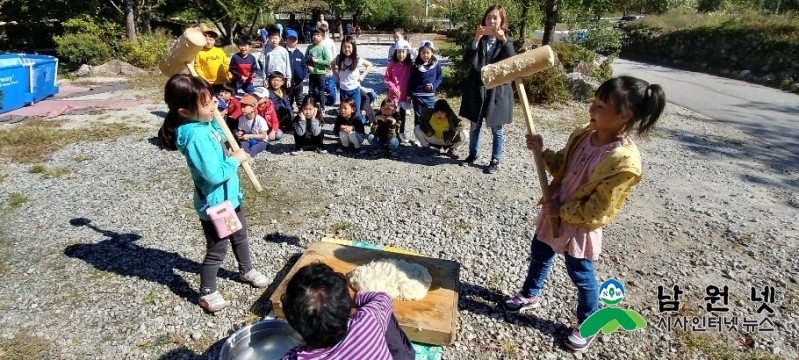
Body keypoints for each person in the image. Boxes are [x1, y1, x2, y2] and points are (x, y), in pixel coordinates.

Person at [502, 76, 666, 351]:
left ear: (624, 115)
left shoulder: (623, 162)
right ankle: (530, 294)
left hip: (580, 222)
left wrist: (562, 210)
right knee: (540, 252)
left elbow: (600, 209)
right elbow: (561, 167)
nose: (591, 109)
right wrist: (543, 152)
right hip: (555, 211)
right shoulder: (583, 135)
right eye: (594, 102)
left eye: (600, 106)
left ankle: (590, 320)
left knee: (580, 272)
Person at [159, 74, 269, 313]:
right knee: (218, 249)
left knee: (240, 235)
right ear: (185, 112)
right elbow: (213, 175)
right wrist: (236, 160)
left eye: (213, 99)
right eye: (207, 103)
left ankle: (245, 270)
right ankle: (207, 291)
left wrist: (227, 145)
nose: (215, 106)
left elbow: (220, 145)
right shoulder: (196, 136)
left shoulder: (205, 125)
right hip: (215, 204)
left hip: (230, 198)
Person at [281, 263, 414, 360]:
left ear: (294, 323)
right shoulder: (368, 321)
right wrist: (350, 300)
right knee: (384, 315)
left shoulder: (294, 357)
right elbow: (383, 298)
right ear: (346, 305)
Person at [458, 5, 516, 174]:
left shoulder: (507, 39)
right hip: (478, 88)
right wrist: (476, 39)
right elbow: (468, 59)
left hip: (498, 91)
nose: (491, 21)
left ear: (502, 21)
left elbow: (513, 62)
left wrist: (503, 40)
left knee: (497, 128)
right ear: (484, 20)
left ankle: (495, 160)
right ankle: (472, 154)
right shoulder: (480, 40)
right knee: (474, 125)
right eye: (489, 17)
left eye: (495, 18)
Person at [407, 40, 443, 142]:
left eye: (428, 52)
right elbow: (411, 80)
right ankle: (418, 138)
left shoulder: (436, 65)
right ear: (419, 53)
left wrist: (433, 86)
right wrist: (409, 95)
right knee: (418, 117)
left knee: (431, 116)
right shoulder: (415, 66)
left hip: (430, 96)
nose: (425, 55)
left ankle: (430, 137)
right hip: (417, 96)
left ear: (432, 52)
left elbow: (439, 78)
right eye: (423, 52)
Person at [333, 36, 374, 125]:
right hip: (343, 90)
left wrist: (362, 75)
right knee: (344, 111)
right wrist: (335, 75)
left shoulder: (357, 59)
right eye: (344, 47)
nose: (346, 49)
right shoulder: (339, 59)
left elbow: (370, 65)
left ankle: (359, 129)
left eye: (349, 47)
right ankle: (346, 128)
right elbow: (331, 64)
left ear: (353, 47)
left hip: (355, 90)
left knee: (356, 112)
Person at [383, 39, 413, 144]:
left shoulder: (409, 66)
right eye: (399, 52)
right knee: (393, 113)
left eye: (403, 52)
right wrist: (392, 87)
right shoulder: (392, 64)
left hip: (404, 94)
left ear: (407, 53)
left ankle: (402, 132)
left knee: (403, 114)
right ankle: (391, 132)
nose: (401, 54)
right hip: (394, 94)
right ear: (395, 53)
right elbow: (386, 78)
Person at [193, 27, 230, 93]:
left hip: (223, 81)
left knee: (225, 99)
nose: (209, 42)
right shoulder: (199, 53)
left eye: (211, 39)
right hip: (210, 82)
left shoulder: (219, 51)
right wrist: (204, 79)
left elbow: (226, 63)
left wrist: (229, 75)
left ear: (214, 41)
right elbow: (197, 67)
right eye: (206, 40)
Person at [305, 29, 332, 113]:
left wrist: (318, 61)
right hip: (312, 73)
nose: (315, 37)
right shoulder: (309, 47)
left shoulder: (324, 48)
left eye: (318, 35)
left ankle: (322, 108)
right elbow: (305, 59)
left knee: (321, 91)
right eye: (314, 35)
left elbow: (328, 61)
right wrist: (308, 66)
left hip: (321, 73)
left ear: (322, 37)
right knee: (311, 91)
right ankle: (310, 106)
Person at [284, 29, 307, 111]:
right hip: (287, 83)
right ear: (285, 40)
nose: (292, 41)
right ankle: (289, 117)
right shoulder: (283, 52)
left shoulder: (299, 54)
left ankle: (302, 118)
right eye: (290, 39)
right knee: (288, 101)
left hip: (298, 83)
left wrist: (302, 75)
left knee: (300, 100)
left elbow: (304, 66)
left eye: (294, 39)